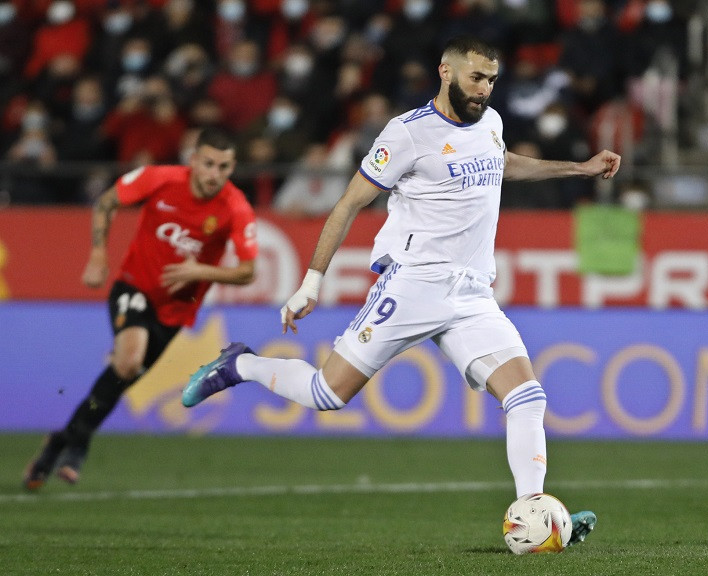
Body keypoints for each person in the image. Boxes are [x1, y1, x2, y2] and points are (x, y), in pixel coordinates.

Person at [182, 35, 619, 545]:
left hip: (472, 293)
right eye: (477, 78)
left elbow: (501, 162)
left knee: (527, 396)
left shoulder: (491, 123)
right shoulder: (407, 134)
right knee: (327, 394)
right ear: (446, 72)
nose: (485, 89)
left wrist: (579, 167)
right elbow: (348, 204)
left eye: (492, 80)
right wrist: (311, 282)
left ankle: (534, 512)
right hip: (414, 283)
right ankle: (240, 365)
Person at [23, 127, 259, 490]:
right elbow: (106, 202)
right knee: (129, 361)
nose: (215, 174)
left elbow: (247, 271)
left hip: (176, 310)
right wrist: (98, 254)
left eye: (224, 167)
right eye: (209, 163)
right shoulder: (160, 179)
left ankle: (60, 442)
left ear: (233, 167)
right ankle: (78, 445)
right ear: (193, 160)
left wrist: (200, 271)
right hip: (134, 286)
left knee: (120, 379)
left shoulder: (235, 207)